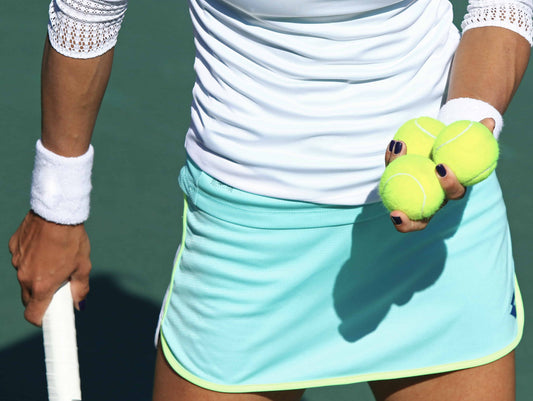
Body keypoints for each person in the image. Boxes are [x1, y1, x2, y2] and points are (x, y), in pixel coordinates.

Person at [8, 0, 532, 400]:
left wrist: (463, 126)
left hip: (439, 235)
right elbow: (88, 12)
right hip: (247, 243)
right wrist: (58, 205)